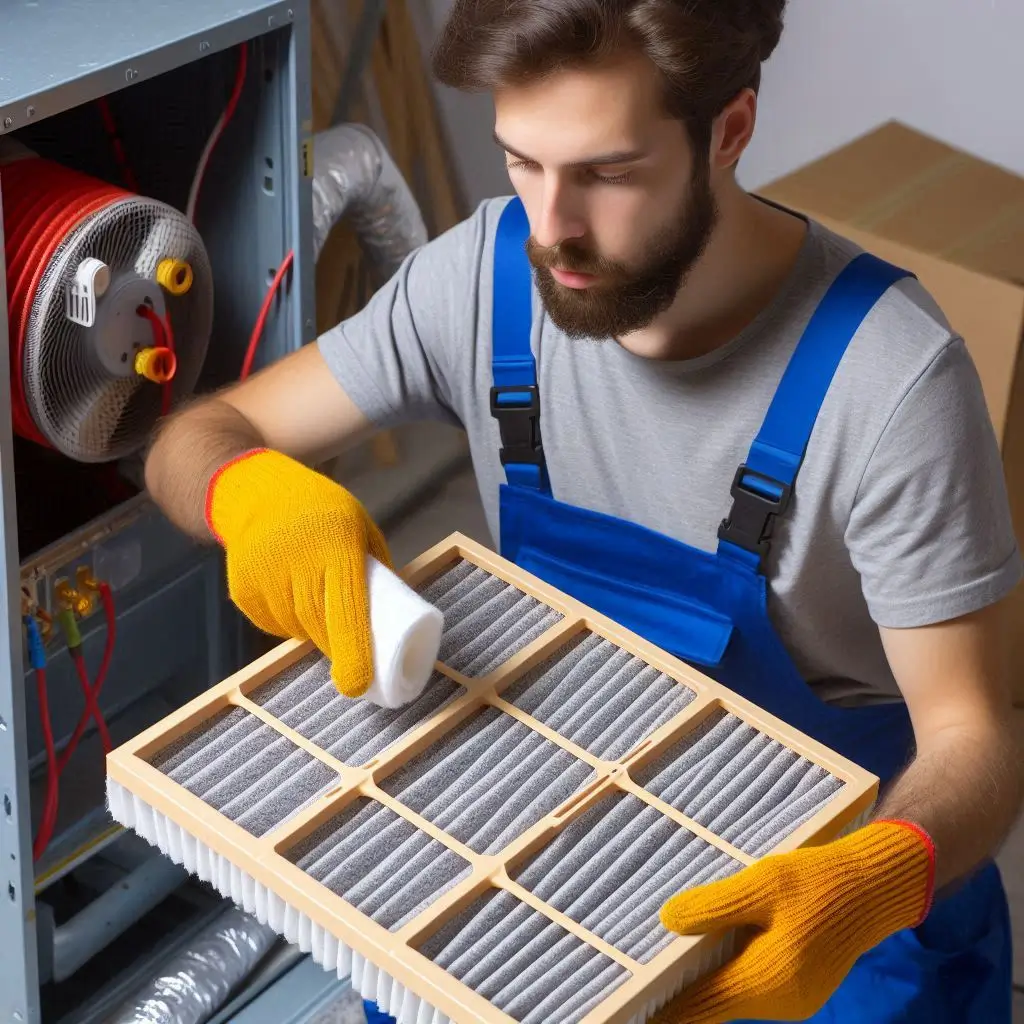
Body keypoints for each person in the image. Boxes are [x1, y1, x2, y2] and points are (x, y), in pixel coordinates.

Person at [145, 1, 1024, 1021]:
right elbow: (191, 437)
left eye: (606, 172)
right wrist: (245, 492)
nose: (550, 226)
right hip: (555, 841)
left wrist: (869, 880)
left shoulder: (889, 383)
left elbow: (978, 739)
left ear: (728, 131)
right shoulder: (483, 279)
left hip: (815, 907)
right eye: (522, 160)